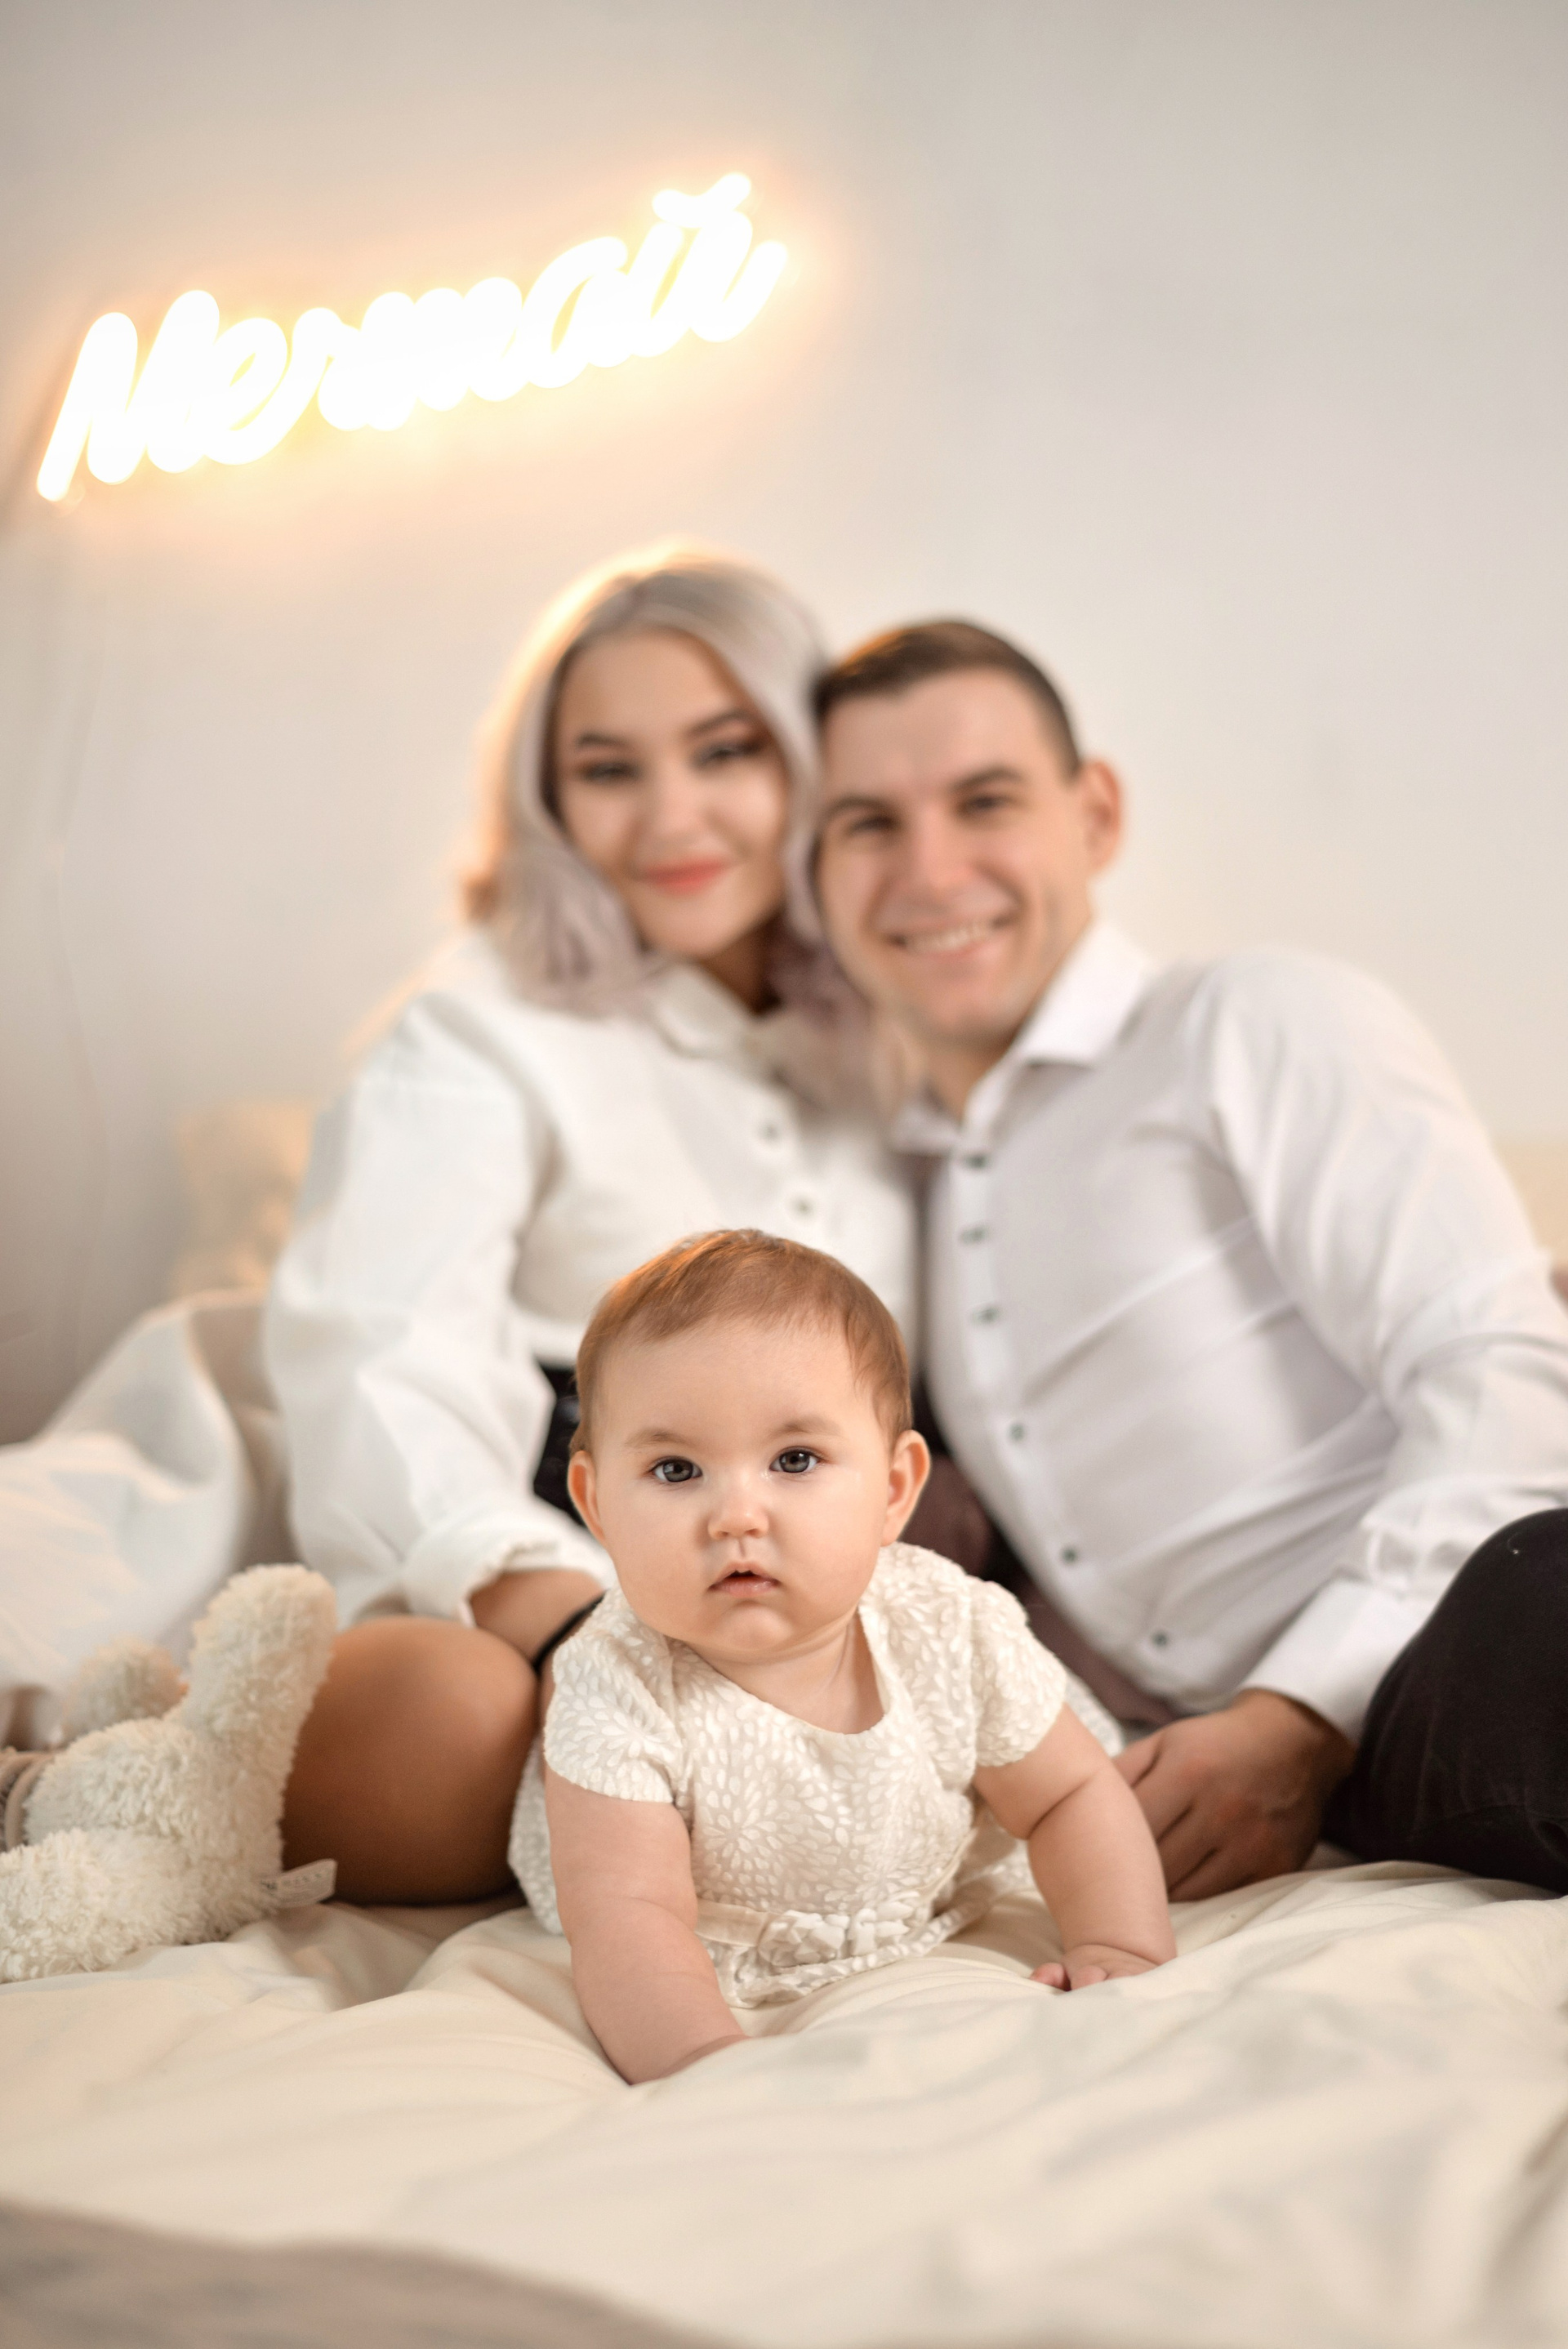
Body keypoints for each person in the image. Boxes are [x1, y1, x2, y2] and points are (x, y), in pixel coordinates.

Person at [811, 618, 1568, 1901]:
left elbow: (1504, 1368)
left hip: (1463, 1622)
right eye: (868, 824)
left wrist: (1296, 1718)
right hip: (1337, 1765)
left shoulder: (1250, 1019)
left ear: (1094, 815)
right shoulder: (895, 1195)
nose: (930, 872)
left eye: (985, 802)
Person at [265, 547, 919, 1904]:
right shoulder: (479, 1023)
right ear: (551, 799)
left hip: (813, 1557)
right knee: (449, 1721)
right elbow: (384, 1360)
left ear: (812, 762)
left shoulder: (890, 1021)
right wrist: (588, 1627)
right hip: (553, 1546)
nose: (671, 816)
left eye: (726, 751)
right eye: (609, 769)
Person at [510, 1229, 1174, 2083]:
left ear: (894, 1489)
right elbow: (627, 1916)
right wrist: (703, 2065)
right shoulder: (617, 1683)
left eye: (794, 1460)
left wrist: (1120, 1944)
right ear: (596, 1503)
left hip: (925, 1882)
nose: (736, 1515)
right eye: (676, 1469)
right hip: (715, 1937)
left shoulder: (946, 1625)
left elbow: (1070, 1795)